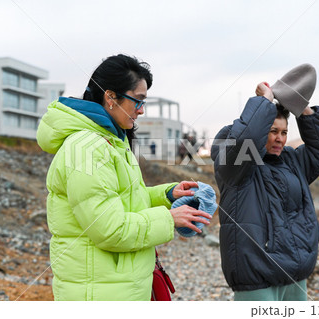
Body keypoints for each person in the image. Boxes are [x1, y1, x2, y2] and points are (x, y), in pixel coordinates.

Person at [36, 54, 212, 301]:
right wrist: (169, 218)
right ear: (110, 97)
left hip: (114, 288)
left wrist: (167, 195)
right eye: (137, 101)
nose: (141, 110)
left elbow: (123, 200)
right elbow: (109, 229)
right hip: (100, 293)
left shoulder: (110, 141)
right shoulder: (88, 147)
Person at [211, 64, 319, 301]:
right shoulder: (235, 166)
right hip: (256, 277)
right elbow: (245, 140)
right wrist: (265, 101)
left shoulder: (292, 161)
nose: (279, 138)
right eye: (272, 131)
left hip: (295, 273)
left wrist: (300, 106)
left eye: (283, 132)